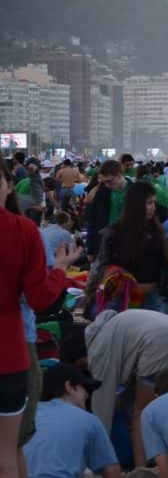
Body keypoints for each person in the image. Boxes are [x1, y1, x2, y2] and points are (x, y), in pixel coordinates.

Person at [1, 161, 73, 478]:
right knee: (7, 456)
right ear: (8, 186)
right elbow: (40, 299)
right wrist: (59, 271)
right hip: (9, 355)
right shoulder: (22, 230)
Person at [82, 308, 168, 468]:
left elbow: (102, 400)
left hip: (162, 344)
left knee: (141, 414)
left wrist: (97, 454)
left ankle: (140, 470)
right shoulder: (121, 324)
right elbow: (127, 392)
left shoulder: (99, 349)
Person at [88, 180, 168, 313]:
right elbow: (102, 265)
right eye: (149, 203)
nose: (154, 208)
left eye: (154, 203)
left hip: (150, 299)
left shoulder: (156, 231)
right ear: (136, 205)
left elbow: (164, 264)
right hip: (121, 299)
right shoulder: (115, 233)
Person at [22, 364, 120, 478]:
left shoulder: (25, 414)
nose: (88, 394)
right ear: (69, 387)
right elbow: (111, 470)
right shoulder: (88, 419)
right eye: (84, 387)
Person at [85, 159, 129, 260]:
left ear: (119, 175)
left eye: (109, 181)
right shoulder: (101, 192)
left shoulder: (134, 190)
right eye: (104, 182)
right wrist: (90, 249)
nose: (107, 185)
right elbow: (92, 221)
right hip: (105, 242)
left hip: (127, 242)